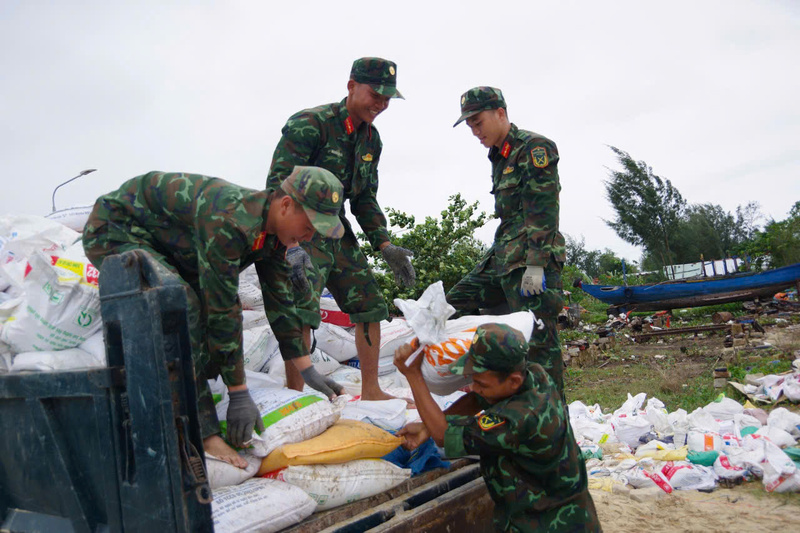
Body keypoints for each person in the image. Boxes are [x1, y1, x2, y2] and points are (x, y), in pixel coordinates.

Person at [83, 166, 346, 468]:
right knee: (185, 306)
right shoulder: (230, 222)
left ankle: (199, 398)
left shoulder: (273, 235)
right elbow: (223, 310)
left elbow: (281, 302)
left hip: (169, 246)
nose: (309, 236)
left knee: (198, 308)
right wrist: (239, 394)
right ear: (286, 205)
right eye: (310, 225)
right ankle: (204, 431)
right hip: (115, 230)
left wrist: (306, 369)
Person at [267, 57, 415, 401]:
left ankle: (372, 390)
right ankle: (296, 394)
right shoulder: (311, 125)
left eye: (387, 98)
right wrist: (290, 245)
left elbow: (364, 198)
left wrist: (385, 246)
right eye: (375, 95)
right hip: (300, 227)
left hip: (336, 228)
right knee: (303, 305)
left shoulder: (371, 141)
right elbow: (277, 186)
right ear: (351, 86)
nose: (381, 104)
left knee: (370, 303)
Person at [395, 324, 601, 532]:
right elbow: (477, 399)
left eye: (482, 383)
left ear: (513, 381)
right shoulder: (534, 374)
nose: (474, 388)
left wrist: (413, 375)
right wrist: (426, 428)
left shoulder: (517, 421)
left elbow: (443, 435)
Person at [447, 87, 567, 395]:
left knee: (539, 346)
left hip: (530, 260)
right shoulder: (498, 155)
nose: (475, 132)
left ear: (500, 113)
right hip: (504, 257)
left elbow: (543, 211)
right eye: (470, 126)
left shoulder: (534, 147)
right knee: (453, 302)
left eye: (478, 122)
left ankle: (552, 414)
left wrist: (536, 265)